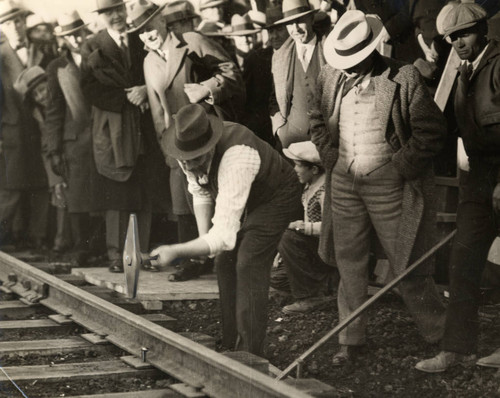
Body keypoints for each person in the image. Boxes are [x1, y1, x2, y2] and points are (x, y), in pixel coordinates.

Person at [309, 10, 447, 366]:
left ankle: (441, 335)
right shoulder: (330, 76)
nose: (348, 68)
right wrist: (331, 156)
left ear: (371, 51)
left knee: (407, 261)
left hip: (388, 185)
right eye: (344, 61)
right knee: (349, 262)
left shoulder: (404, 77)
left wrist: (399, 166)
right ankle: (350, 340)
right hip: (343, 183)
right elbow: (316, 121)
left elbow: (432, 130)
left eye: (354, 61)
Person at [150, 104, 302, 356]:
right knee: (223, 261)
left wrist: (175, 250)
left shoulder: (238, 155)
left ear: (210, 147)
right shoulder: (186, 150)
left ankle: (249, 352)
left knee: (249, 260)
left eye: (197, 159)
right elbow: (200, 191)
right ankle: (231, 342)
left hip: (275, 196)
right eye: (186, 162)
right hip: (244, 197)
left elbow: (222, 235)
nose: (190, 166)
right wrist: (201, 240)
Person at [128, 0, 245, 280]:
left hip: (208, 134)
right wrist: (166, 148)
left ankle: (225, 261)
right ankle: (193, 261)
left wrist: (206, 88)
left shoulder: (191, 41)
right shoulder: (149, 60)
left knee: (216, 195)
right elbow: (158, 111)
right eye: (141, 32)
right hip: (177, 143)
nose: (147, 34)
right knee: (183, 201)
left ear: (161, 21)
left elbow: (231, 73)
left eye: (150, 27)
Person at [415, 3, 500, 373]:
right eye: (452, 38)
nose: (458, 43)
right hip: (478, 181)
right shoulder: (463, 71)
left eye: (464, 34)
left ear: (482, 30)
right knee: (462, 264)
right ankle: (456, 350)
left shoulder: (498, 64)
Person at [80, 0, 155, 273]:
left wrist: (145, 90)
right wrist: (127, 98)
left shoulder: (140, 39)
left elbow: (156, 69)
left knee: (144, 188)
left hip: (144, 124)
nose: (116, 17)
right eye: (109, 12)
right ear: (101, 17)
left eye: (119, 10)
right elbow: (88, 88)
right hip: (113, 127)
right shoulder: (92, 45)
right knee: (117, 189)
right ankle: (117, 254)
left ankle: (142, 252)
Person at [44, 11, 95, 266]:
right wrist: (53, 149)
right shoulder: (57, 67)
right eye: (69, 35)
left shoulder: (98, 56)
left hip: (101, 136)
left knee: (100, 193)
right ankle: (80, 247)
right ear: (63, 39)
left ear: (85, 32)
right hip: (73, 140)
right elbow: (53, 111)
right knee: (76, 198)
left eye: (78, 33)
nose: (75, 39)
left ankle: (98, 246)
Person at [0, 1, 51, 251]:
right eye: (9, 23)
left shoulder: (42, 49)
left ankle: (38, 236)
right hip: (11, 129)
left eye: (19, 21)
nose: (15, 27)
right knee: (13, 187)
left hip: (40, 127)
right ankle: (7, 235)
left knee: (42, 184)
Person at [271, 141, 338, 314]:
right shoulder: (309, 187)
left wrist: (303, 228)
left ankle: (311, 296)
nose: (294, 169)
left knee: (288, 236)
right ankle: (325, 286)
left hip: (327, 250)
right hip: (314, 250)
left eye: (298, 165)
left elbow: (333, 228)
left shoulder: (325, 191)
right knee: (274, 278)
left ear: (314, 170)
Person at [270, 0, 326, 149]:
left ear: (311, 19)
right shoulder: (280, 56)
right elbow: (273, 97)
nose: (295, 29)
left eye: (300, 21)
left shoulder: (329, 48)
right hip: (292, 141)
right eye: (289, 23)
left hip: (328, 139)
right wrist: (280, 130)